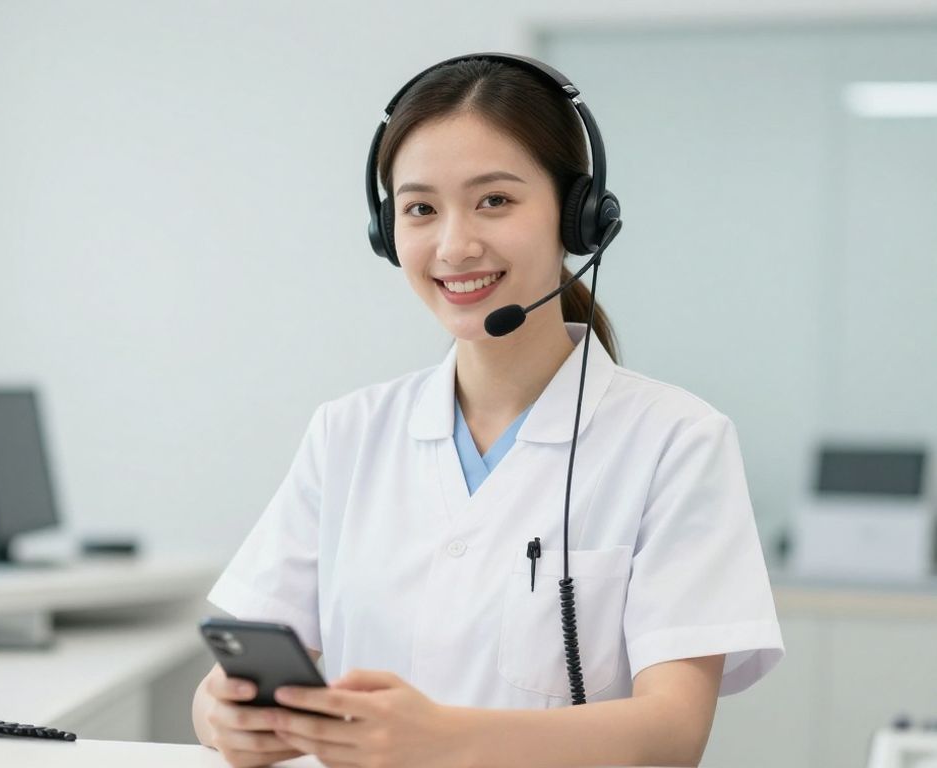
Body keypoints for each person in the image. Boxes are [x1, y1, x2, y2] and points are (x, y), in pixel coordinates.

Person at [191, 53, 783, 768]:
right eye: (420, 209)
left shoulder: (677, 441)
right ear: (387, 232)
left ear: (577, 216)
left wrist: (442, 741)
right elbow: (239, 674)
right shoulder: (347, 432)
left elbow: (671, 734)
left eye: (495, 200)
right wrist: (224, 715)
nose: (454, 245)